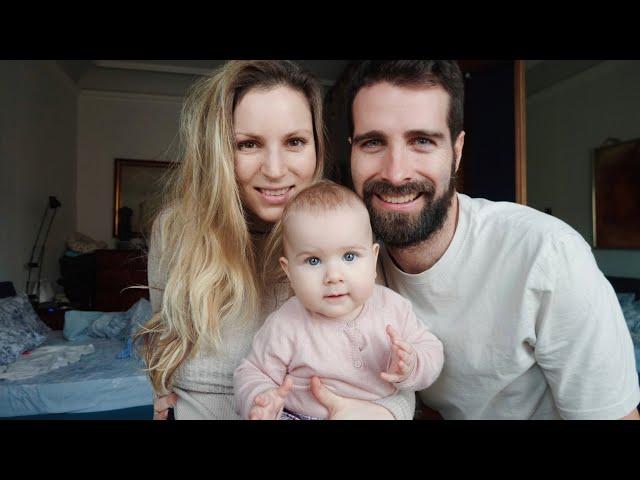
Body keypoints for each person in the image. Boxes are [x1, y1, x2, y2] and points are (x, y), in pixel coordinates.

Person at [344, 60, 640, 419]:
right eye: (373, 142)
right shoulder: (350, 262)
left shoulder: (548, 255)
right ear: (352, 152)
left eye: (421, 141)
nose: (395, 172)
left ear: (457, 151)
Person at [137, 60, 416, 420]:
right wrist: (158, 389)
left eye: (295, 142)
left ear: (317, 146)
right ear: (218, 151)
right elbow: (165, 354)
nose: (274, 169)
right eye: (249, 144)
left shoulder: (348, 233)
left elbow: (394, 390)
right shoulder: (175, 231)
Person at [233, 181, 444, 420]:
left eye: (350, 256)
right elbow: (251, 372)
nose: (333, 276)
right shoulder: (286, 323)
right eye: (313, 261)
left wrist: (412, 362)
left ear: (373, 259)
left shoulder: (393, 308)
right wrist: (261, 397)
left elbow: (432, 350)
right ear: (289, 270)